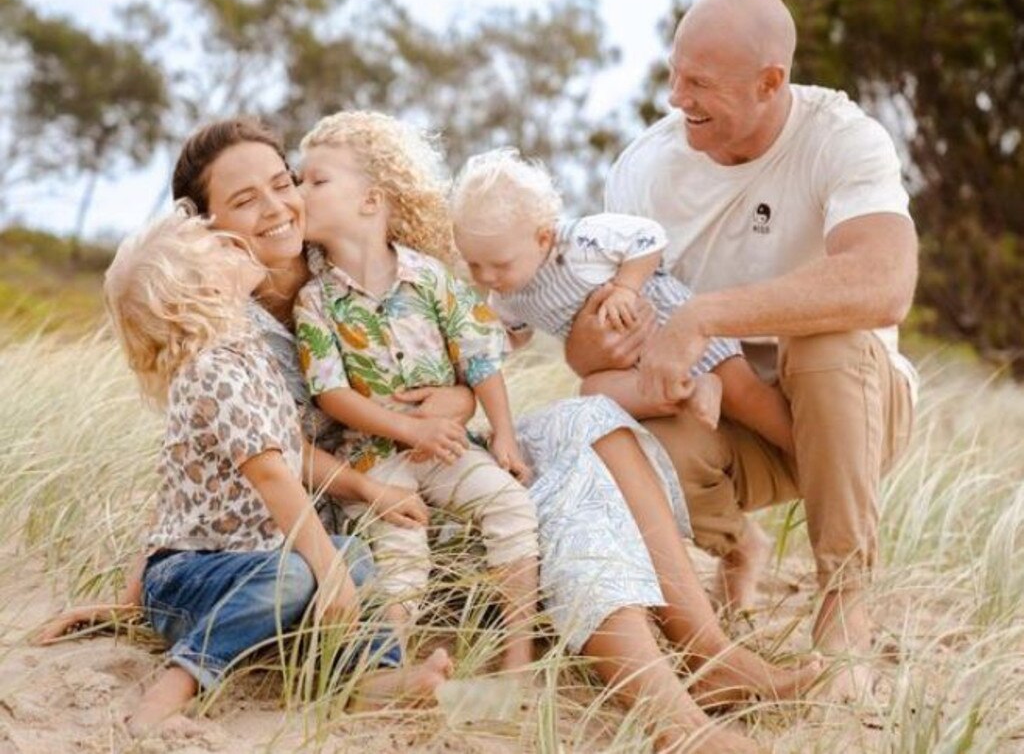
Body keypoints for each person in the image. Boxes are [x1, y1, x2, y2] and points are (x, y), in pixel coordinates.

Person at [38, 117, 819, 752]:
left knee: (586, 424)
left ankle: (705, 654)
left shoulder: (341, 266)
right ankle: (675, 714)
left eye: (285, 181)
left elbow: (461, 363)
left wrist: (451, 397)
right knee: (556, 487)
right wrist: (142, 587)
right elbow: (247, 461)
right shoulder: (221, 324)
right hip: (356, 526)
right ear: (206, 230)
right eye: (247, 201)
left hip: (430, 483)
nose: (280, 204)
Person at [567, 0, 917, 696]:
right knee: (611, 425)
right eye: (673, 74)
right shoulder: (644, 168)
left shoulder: (841, 136)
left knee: (822, 339)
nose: (675, 98)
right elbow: (590, 350)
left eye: (698, 83)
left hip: (854, 407)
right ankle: (730, 554)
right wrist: (612, 330)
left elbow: (884, 282)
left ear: (770, 83)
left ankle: (843, 594)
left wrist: (701, 316)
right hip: (725, 415)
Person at [37, 209, 453, 735]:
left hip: (246, 567)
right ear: (199, 292)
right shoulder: (213, 369)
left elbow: (289, 453)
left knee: (352, 555)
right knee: (309, 567)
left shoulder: (247, 355)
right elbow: (273, 476)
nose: (238, 246)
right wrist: (328, 571)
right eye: (221, 249)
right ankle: (180, 681)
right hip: (187, 576)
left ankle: (372, 676)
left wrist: (363, 503)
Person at [292, 111, 541, 674]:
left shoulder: (430, 278)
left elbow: (478, 356)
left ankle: (517, 656)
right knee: (402, 549)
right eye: (300, 179)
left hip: (448, 446)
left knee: (511, 507)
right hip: (375, 456)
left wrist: (502, 434)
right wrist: (409, 428)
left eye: (317, 180)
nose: (299, 191)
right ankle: (394, 662)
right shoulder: (315, 301)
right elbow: (331, 393)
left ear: (371, 200)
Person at [450, 147, 793, 450]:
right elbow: (512, 335)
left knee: (749, 398)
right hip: (629, 367)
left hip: (671, 327)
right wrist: (486, 346)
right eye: (474, 264)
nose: (487, 277)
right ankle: (692, 390)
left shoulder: (581, 242)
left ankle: (807, 454)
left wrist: (626, 288)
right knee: (593, 390)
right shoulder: (509, 296)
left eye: (499, 264)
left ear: (542, 239)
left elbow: (648, 237)